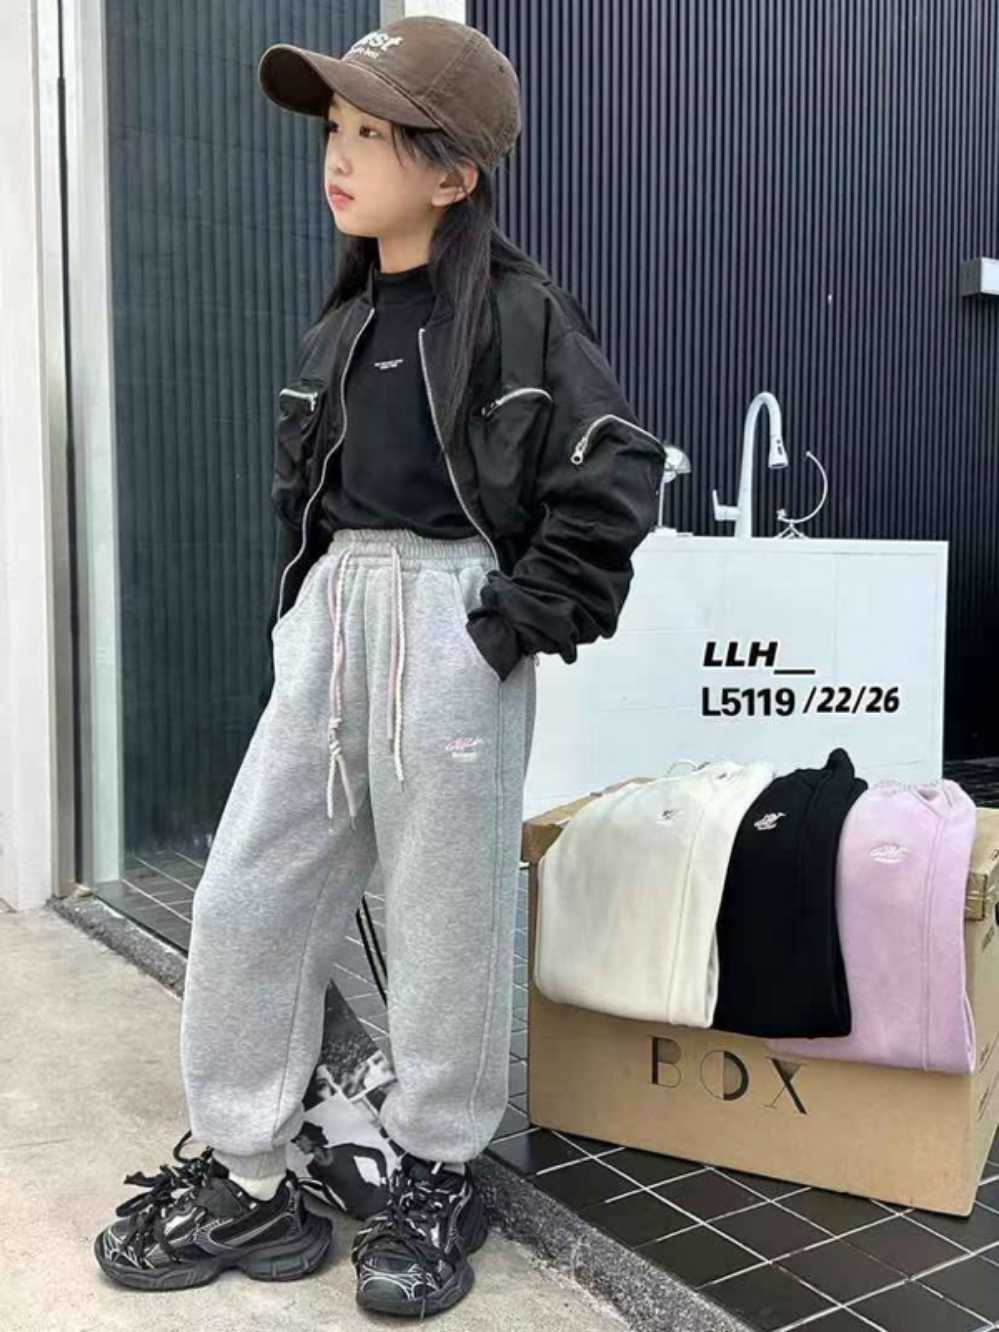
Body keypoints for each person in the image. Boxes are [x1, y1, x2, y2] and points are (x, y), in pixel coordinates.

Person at [92, 14, 665, 1320]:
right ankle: (248, 1172)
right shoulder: (342, 325)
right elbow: (310, 494)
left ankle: (437, 1169)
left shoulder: (518, 313)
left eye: (373, 134)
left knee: (445, 914)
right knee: (249, 894)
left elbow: (613, 468)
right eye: (335, 130)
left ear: (453, 173)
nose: (338, 157)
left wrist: (506, 625)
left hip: (450, 618)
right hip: (336, 622)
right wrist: (307, 616)